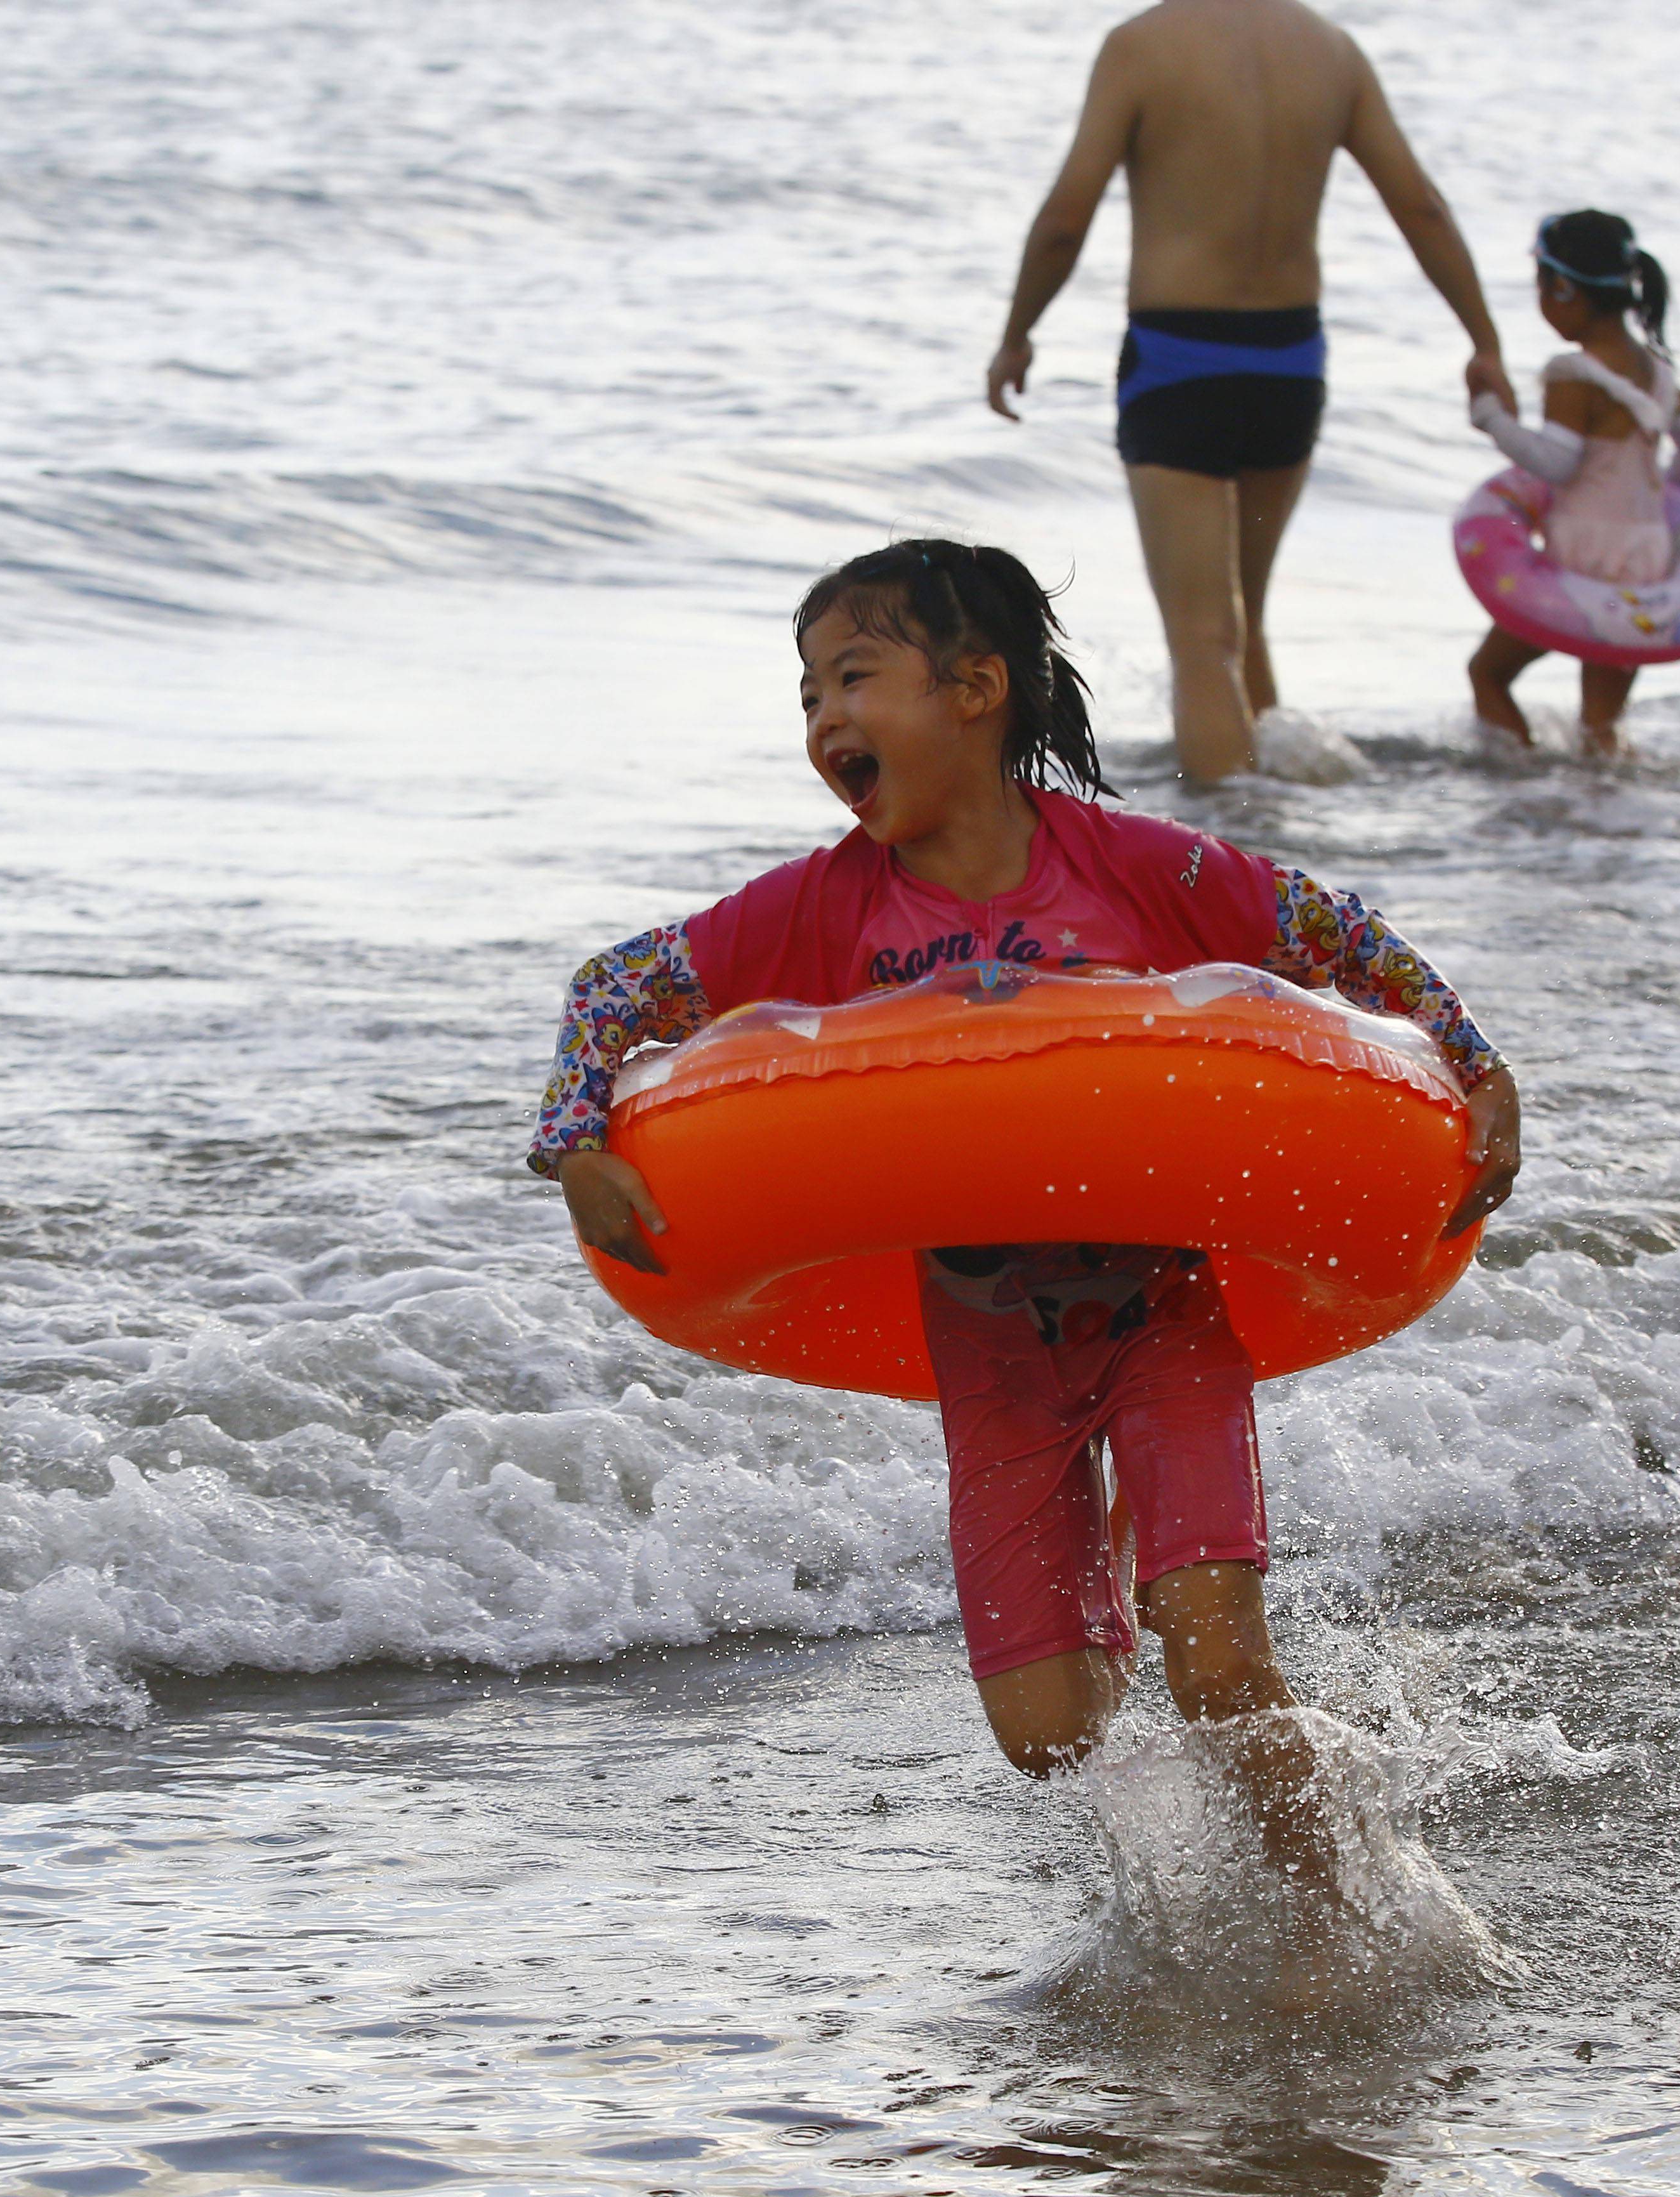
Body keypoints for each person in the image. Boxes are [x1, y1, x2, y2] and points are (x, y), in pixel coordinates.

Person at [530, 539, 1519, 1860]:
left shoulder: (1129, 869)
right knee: (1049, 1737)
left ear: (977, 687)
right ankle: (1114, 1572)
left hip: (1161, 1311)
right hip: (990, 1352)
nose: (824, 718)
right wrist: (576, 1139)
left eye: (853, 678)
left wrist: (1476, 1066)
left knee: (1218, 1669)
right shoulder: (822, 908)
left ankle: (1329, 1907)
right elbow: (613, 989)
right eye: (808, 695)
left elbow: (1327, 931)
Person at [985, 0, 1516, 785]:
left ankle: (1230, 856)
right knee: (1246, 625)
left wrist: (1018, 330)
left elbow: (1068, 215)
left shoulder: (1140, 47)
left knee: (1203, 642)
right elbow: (1422, 206)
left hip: (1180, 363)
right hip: (1290, 363)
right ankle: (1280, 831)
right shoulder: (1331, 52)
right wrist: (1484, 341)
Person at [1467, 211, 1680, 756]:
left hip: (1582, 558)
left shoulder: (1572, 374)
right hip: (1644, 561)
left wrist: (1490, 416)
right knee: (1601, 722)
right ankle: (1605, 818)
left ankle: (1517, 781)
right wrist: (1663, 500)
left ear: (1562, 288)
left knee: (1488, 673)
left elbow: (1555, 464)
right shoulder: (1658, 371)